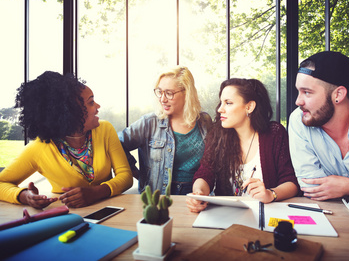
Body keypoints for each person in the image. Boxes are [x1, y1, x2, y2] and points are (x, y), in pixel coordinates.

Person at [0, 71, 133, 209]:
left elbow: (125, 176)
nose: (98, 107)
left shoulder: (105, 130)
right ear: (71, 112)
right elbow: (1, 183)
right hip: (67, 217)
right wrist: (25, 196)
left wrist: (95, 193)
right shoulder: (39, 148)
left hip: (111, 212)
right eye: (91, 102)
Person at [187, 78, 299, 213]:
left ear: (249, 106)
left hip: (267, 214)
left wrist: (271, 194)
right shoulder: (217, 134)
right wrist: (199, 193)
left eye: (228, 103)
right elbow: (205, 173)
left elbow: (291, 182)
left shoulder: (274, 133)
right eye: (221, 102)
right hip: (227, 214)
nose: (220, 109)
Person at [118, 66, 212, 195]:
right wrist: (134, 172)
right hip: (159, 196)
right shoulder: (148, 123)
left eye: (169, 93)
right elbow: (117, 144)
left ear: (187, 93)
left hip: (197, 193)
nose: (162, 99)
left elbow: (212, 162)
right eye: (160, 92)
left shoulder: (204, 121)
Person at [288, 51, 349, 201]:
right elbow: (312, 188)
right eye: (298, 91)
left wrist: (348, 186)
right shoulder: (299, 120)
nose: (298, 101)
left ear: (338, 95)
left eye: (307, 92)